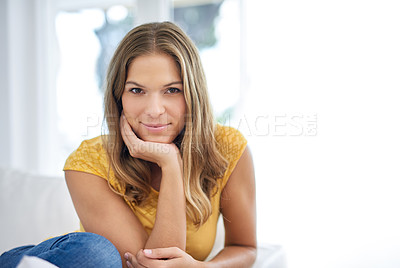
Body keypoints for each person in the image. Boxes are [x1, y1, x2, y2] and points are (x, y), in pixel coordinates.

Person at [0, 21, 256, 268]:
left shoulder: (226, 148)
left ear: (193, 95)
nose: (155, 110)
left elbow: (245, 247)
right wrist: (171, 163)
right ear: (118, 96)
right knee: (97, 253)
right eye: (136, 91)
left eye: (172, 90)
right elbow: (152, 264)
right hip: (76, 258)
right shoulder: (88, 161)